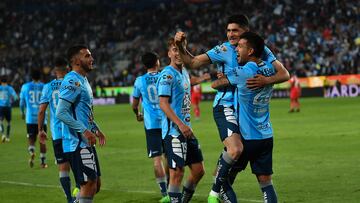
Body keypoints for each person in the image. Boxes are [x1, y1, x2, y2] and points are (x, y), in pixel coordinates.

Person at [174, 14, 289, 202]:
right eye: (228, 30)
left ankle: (218, 193)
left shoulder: (261, 49)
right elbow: (192, 62)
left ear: (246, 32)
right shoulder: (223, 49)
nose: (230, 34)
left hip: (243, 111)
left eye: (235, 30)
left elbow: (284, 73)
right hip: (226, 106)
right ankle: (214, 192)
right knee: (235, 151)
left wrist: (265, 80)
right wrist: (181, 47)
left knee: (233, 168)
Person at [211, 31, 278, 203]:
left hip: (247, 138)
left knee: (220, 178)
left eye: (240, 46)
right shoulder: (269, 70)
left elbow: (215, 84)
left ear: (250, 51)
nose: (236, 50)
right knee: (266, 183)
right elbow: (282, 73)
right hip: (266, 135)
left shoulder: (244, 72)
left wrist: (223, 78)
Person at [157, 38, 205, 203]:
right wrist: (180, 124)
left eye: (181, 49)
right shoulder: (167, 74)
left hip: (187, 130)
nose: (178, 53)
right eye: (175, 50)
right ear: (169, 53)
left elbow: (185, 83)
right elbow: (163, 103)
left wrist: (201, 79)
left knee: (198, 170)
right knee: (176, 173)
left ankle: (182, 200)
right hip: (174, 132)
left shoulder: (183, 71)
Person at [56, 45, 106, 203]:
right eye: (87, 56)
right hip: (77, 142)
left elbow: (84, 112)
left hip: (85, 140)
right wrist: (85, 131)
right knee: (88, 185)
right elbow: (61, 112)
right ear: (76, 61)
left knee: (95, 185)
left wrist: (96, 129)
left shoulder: (83, 79)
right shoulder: (72, 80)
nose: (92, 59)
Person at [38, 57, 79, 203]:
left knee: (63, 167)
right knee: (77, 164)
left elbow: (42, 111)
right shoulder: (73, 83)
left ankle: (69, 199)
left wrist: (40, 130)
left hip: (57, 134)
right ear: (67, 69)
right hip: (73, 132)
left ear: (55, 71)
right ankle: (80, 192)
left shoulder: (48, 87)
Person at [132, 52, 170, 203]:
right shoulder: (164, 76)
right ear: (157, 62)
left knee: (156, 159)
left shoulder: (140, 81)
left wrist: (137, 113)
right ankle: (171, 186)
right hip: (167, 120)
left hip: (151, 124)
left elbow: (134, 105)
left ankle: (164, 192)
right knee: (169, 156)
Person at [20, 69, 48, 168]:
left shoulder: (25, 86)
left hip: (30, 118)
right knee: (42, 140)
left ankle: (32, 151)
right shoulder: (44, 87)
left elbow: (22, 102)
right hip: (42, 117)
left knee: (31, 138)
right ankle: (43, 162)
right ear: (40, 77)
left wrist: (22, 112)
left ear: (31, 77)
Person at [0, 75, 18, 142]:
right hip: (8, 107)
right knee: (8, 123)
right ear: (7, 81)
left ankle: (3, 134)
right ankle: (7, 137)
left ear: (0, 81)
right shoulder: (10, 88)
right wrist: (11, 101)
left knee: (1, 121)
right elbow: (15, 97)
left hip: (1, 107)